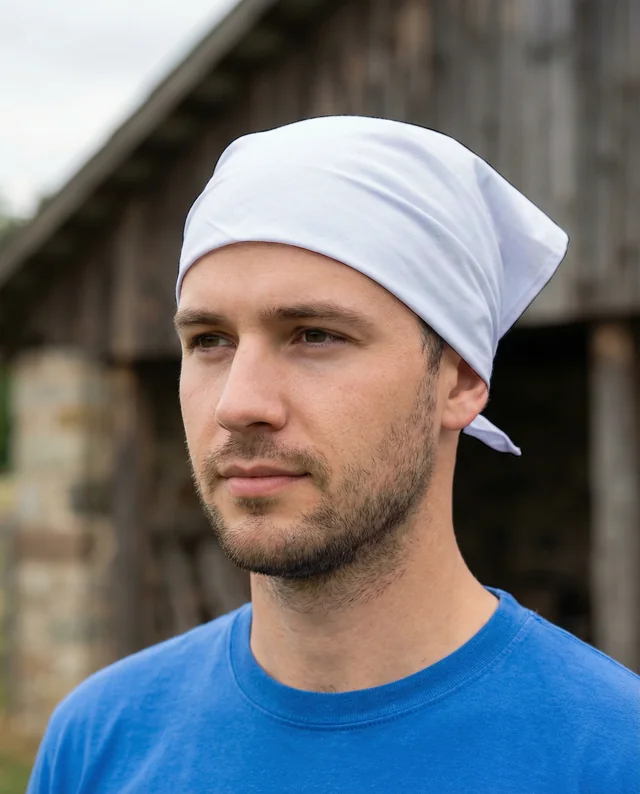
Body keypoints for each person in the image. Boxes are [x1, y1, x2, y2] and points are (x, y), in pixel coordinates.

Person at [28, 116, 639, 793]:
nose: (237, 403)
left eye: (314, 335)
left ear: (461, 379)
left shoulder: (612, 754)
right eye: (209, 340)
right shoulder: (99, 740)